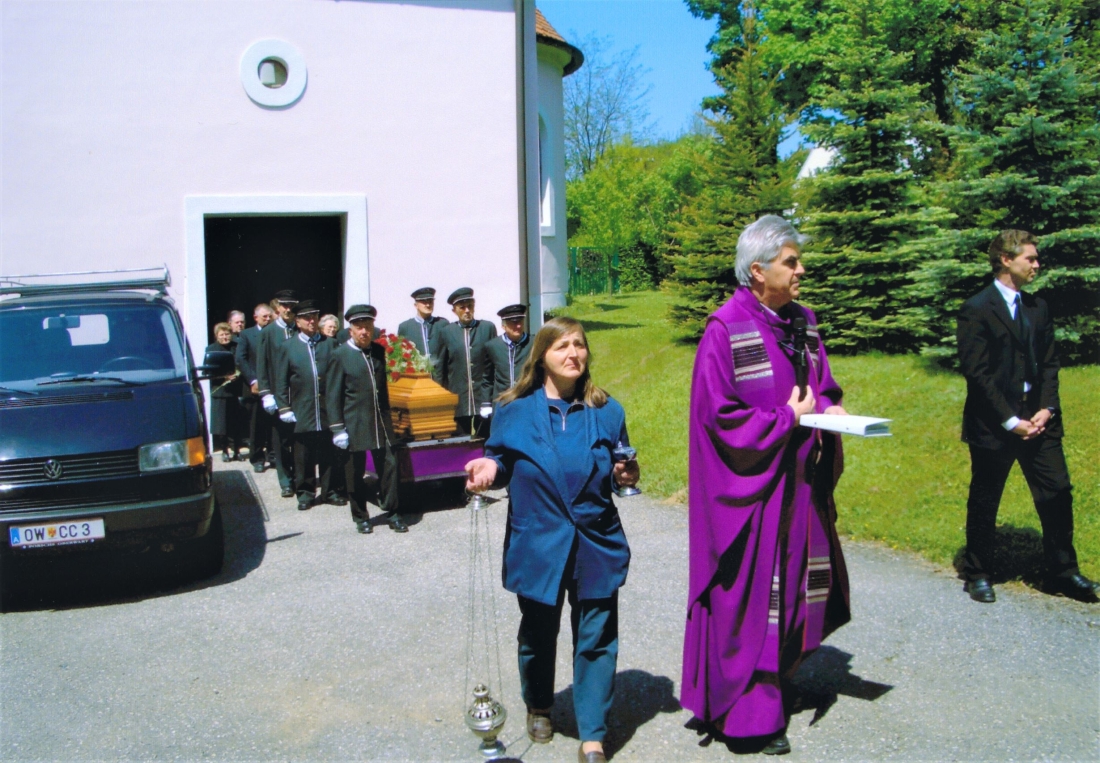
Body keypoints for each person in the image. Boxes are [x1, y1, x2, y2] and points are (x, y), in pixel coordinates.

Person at [680, 215, 852, 756]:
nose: (801, 270)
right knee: (753, 598)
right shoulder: (726, 329)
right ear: (758, 271)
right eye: (790, 262)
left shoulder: (804, 321)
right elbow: (719, 419)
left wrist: (831, 407)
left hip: (799, 487)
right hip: (751, 493)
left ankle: (778, 682)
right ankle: (747, 716)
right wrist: (787, 419)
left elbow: (821, 385)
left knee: (794, 587)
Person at [465, 317, 640, 763]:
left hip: (595, 541)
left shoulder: (608, 410)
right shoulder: (513, 410)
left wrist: (625, 476)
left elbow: (618, 469)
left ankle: (593, 734)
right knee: (538, 633)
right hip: (538, 541)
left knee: (597, 636)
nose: (573, 353)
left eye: (579, 344)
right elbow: (499, 459)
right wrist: (489, 469)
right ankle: (539, 704)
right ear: (541, 355)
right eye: (561, 346)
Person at [956, 230, 1098, 603]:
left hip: (1039, 420)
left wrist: (1047, 409)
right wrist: (1010, 420)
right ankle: (978, 573)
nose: (1037, 264)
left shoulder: (1038, 307)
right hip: (995, 424)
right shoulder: (977, 308)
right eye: (1030, 258)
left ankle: (1062, 573)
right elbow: (977, 374)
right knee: (986, 498)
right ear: (1006, 260)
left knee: (1057, 492)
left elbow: (1050, 364)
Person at [326, 304, 408, 534]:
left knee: (390, 467)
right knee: (354, 473)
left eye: (368, 326)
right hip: (355, 423)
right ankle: (360, 516)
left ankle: (393, 513)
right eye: (359, 327)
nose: (364, 331)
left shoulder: (379, 351)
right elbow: (332, 395)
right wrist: (337, 428)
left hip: (381, 422)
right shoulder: (339, 355)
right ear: (350, 330)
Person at [274, 299, 337, 510]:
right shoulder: (288, 347)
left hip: (327, 409)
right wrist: (284, 407)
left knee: (329, 452)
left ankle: (330, 491)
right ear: (298, 322)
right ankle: (305, 493)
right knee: (303, 455)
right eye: (306, 318)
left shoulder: (329, 344)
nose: (311, 321)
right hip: (302, 409)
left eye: (314, 317)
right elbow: (281, 381)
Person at [431, 287, 496, 434]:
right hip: (459, 396)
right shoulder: (447, 332)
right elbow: (440, 368)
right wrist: (441, 397)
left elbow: (494, 362)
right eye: (462, 307)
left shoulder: (487, 328)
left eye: (470, 306)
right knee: (460, 440)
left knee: (485, 438)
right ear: (454, 310)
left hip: (483, 396)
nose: (467, 310)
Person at [257, 290, 299, 498]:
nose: (288, 309)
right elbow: (262, 364)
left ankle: (299, 476)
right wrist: (266, 393)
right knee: (280, 439)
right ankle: (285, 480)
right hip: (277, 393)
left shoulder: (299, 330)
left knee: (298, 438)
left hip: (298, 394)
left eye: (291, 306)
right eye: (284, 306)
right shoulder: (268, 332)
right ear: (278, 308)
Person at [236, 303, 274, 473]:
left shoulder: (275, 333)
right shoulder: (247, 334)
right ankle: (257, 458)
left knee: (273, 424)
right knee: (256, 425)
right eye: (264, 316)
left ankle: (273, 455)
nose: (268, 319)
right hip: (255, 387)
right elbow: (241, 359)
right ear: (256, 317)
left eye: (270, 316)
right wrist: (253, 380)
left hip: (274, 386)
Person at [206, 322, 244, 461]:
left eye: (227, 334)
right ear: (216, 336)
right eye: (221, 335)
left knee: (235, 423)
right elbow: (208, 371)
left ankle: (237, 451)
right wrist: (224, 377)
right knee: (221, 424)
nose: (225, 337)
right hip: (220, 391)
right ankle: (224, 451)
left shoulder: (236, 347)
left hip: (235, 390)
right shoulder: (211, 349)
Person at [484, 304, 532, 402]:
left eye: (520, 321)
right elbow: (487, 379)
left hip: (528, 401)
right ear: (503, 326)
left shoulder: (533, 343)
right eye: (514, 322)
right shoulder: (493, 346)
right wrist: (486, 403)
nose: (518, 326)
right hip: (502, 401)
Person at [397, 287, 449, 365]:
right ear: (416, 305)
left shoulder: (442, 324)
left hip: (439, 372)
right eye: (424, 302)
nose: (428, 305)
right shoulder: (405, 327)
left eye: (430, 302)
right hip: (418, 371)